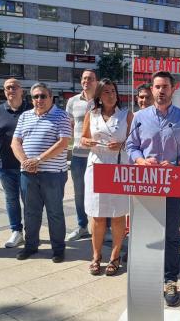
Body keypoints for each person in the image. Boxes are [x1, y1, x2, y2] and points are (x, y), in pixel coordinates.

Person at [126, 70, 180, 306]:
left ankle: (170, 279)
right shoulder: (140, 117)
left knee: (170, 235)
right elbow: (131, 146)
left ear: (173, 88)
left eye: (165, 86)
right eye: (157, 87)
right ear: (152, 89)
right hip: (146, 184)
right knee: (146, 233)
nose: (161, 90)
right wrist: (140, 160)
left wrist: (179, 163)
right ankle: (147, 277)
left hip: (173, 184)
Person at [12, 83, 70, 263]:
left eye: (43, 96)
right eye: (35, 96)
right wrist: (25, 162)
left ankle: (58, 249)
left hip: (53, 174)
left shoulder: (61, 115)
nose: (39, 100)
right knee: (30, 212)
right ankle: (30, 246)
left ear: (51, 97)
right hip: (27, 174)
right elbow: (15, 143)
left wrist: (38, 160)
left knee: (55, 212)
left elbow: (63, 143)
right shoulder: (24, 116)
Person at [82, 79, 133, 276]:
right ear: (99, 96)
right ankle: (96, 256)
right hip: (97, 167)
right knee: (97, 214)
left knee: (118, 214)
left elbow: (134, 142)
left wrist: (121, 145)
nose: (110, 95)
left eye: (113, 91)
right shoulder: (92, 114)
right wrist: (88, 141)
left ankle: (115, 256)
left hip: (118, 168)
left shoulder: (126, 115)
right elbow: (83, 139)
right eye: (106, 92)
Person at [0, 78, 31, 248]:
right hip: (5, 165)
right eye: (8, 88)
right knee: (11, 199)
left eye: (14, 87)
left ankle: (31, 231)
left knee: (29, 200)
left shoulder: (32, 109)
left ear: (22, 90)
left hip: (28, 165)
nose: (11, 90)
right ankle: (16, 231)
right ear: (4, 91)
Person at [65, 69, 97, 241]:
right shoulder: (72, 101)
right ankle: (82, 225)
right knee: (79, 192)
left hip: (99, 156)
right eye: (84, 78)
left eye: (91, 78)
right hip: (78, 155)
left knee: (101, 192)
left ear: (96, 81)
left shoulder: (101, 100)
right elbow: (67, 125)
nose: (87, 81)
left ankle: (104, 228)